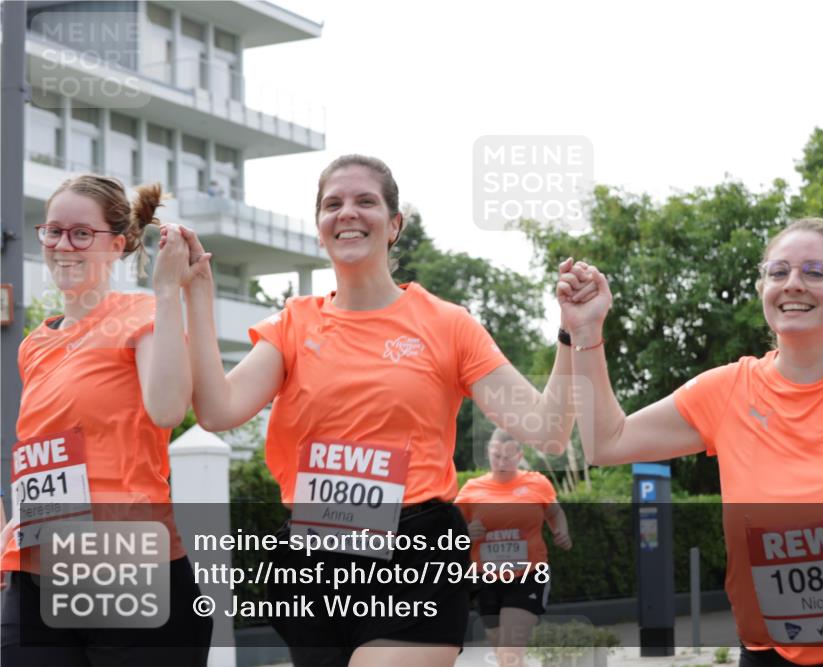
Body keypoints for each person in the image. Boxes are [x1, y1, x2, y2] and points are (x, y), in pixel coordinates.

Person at [167, 155, 588, 666]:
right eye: (332, 204)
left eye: (365, 201)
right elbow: (216, 410)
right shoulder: (293, 325)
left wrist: (572, 335)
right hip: (313, 557)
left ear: (394, 225)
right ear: (320, 226)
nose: (348, 212)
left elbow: (547, 431)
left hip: (415, 551)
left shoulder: (447, 324)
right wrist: (195, 291)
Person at [557, 217, 823, 666]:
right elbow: (606, 443)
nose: (793, 284)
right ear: (762, 290)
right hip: (770, 652)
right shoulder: (724, 391)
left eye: (815, 272)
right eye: (778, 271)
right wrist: (587, 332)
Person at [0, 175, 212, 665]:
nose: (62, 245)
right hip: (38, 572)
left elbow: (167, 410)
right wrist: (15, 521)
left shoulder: (140, 314)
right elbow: (47, 454)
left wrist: (166, 292)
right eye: (52, 231)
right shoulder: (34, 345)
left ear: (116, 245)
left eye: (81, 233)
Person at [456, 428, 572, 667]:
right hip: (485, 580)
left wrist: (561, 531)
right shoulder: (471, 490)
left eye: (507, 457)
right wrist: (465, 534)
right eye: (496, 455)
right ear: (488, 452)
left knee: (510, 651)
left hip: (527, 576)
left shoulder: (537, 483)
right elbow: (450, 531)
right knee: (503, 653)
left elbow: (555, 513)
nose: (500, 462)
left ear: (519, 456)